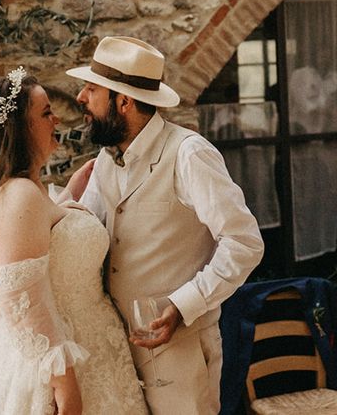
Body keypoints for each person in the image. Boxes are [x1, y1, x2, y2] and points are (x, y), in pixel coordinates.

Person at [63, 36, 265, 415]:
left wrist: (183, 304)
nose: (81, 97)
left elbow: (244, 242)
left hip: (182, 350)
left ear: (123, 101)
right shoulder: (106, 160)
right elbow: (81, 234)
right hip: (118, 353)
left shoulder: (190, 154)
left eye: (92, 88)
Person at [0, 67, 147, 414]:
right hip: (52, 360)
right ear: (19, 129)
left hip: (89, 345)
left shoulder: (27, 191)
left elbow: (43, 241)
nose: (56, 119)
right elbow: (22, 298)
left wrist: (68, 198)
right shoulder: (18, 195)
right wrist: (65, 386)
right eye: (46, 113)